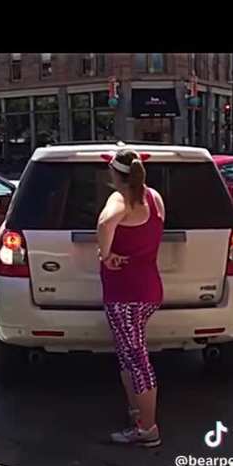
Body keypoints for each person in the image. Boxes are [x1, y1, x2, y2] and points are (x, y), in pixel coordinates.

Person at [97, 148, 165, 447]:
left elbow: (104, 223)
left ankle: (148, 429)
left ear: (115, 173)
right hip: (148, 288)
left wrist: (106, 254)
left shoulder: (119, 198)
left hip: (126, 293)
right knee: (128, 355)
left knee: (136, 359)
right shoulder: (154, 197)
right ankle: (138, 413)